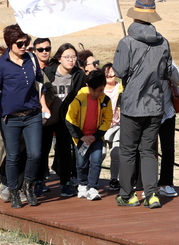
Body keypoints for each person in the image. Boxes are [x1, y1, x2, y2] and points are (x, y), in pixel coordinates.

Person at [113, 0, 172, 209]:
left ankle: (127, 195)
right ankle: (151, 195)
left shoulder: (126, 42)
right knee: (148, 151)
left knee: (128, 151)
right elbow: (166, 72)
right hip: (155, 104)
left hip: (132, 105)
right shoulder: (163, 42)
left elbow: (119, 71)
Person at [0, 24, 50, 209]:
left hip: (32, 114)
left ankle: (28, 186)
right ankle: (14, 192)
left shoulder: (31, 58)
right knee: (13, 156)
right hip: (10, 118)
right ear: (10, 44)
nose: (24, 47)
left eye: (26, 43)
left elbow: (40, 83)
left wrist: (44, 105)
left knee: (36, 154)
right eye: (20, 44)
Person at [36, 43, 85, 197]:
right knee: (41, 151)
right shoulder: (48, 72)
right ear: (59, 58)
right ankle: (38, 182)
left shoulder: (79, 75)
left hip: (64, 119)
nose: (71, 60)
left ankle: (66, 184)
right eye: (67, 57)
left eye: (73, 57)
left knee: (65, 152)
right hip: (46, 119)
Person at [65, 70, 112, 201]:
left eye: (101, 90)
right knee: (81, 162)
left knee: (96, 160)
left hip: (95, 137)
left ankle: (93, 187)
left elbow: (107, 120)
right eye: (94, 90)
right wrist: (81, 136)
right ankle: (82, 184)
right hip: (81, 137)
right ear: (88, 86)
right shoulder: (79, 99)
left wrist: (96, 136)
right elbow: (69, 119)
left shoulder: (106, 100)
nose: (97, 94)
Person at [158, 60, 179, 198]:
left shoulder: (168, 61)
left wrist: (169, 65)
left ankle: (166, 183)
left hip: (167, 111)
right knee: (146, 149)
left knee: (168, 149)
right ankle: (147, 184)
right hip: (147, 111)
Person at [101, 63, 122, 190]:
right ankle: (92, 179)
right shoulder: (99, 89)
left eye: (112, 72)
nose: (109, 75)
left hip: (118, 126)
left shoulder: (121, 88)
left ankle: (114, 179)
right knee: (101, 154)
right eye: (106, 72)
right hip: (101, 126)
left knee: (116, 153)